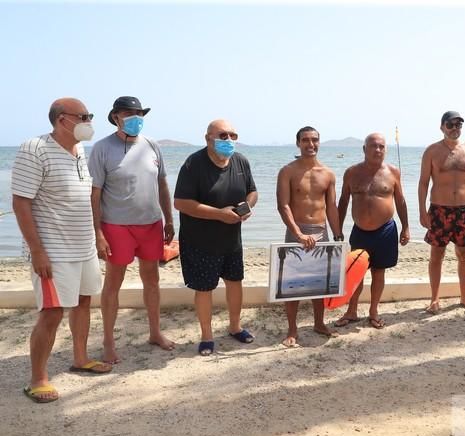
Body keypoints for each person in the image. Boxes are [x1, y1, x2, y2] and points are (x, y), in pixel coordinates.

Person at [12, 98, 112, 403]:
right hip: (54, 252)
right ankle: (38, 379)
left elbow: (84, 200)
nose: (89, 121)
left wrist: (98, 236)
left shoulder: (80, 151)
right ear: (61, 120)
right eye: (83, 116)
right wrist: (37, 251)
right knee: (52, 313)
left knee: (83, 303)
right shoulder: (35, 149)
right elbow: (21, 203)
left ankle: (80, 358)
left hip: (83, 248)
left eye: (90, 115)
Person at [88, 96, 175, 364]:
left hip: (151, 224)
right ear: (116, 116)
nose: (136, 118)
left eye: (139, 113)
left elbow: (162, 185)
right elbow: (94, 194)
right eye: (129, 113)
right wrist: (98, 233)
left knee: (152, 279)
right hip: (116, 226)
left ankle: (155, 332)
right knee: (114, 281)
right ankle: (108, 342)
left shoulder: (152, 145)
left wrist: (169, 219)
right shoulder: (102, 148)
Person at [173, 120, 258, 356]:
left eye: (233, 135)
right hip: (200, 241)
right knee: (204, 289)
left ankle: (235, 326)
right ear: (208, 138)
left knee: (235, 282)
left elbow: (252, 191)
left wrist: (247, 207)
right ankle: (207, 336)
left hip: (231, 239)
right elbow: (180, 202)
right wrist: (218, 215)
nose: (228, 139)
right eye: (222, 135)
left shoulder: (241, 160)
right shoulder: (193, 164)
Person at [334, 133, 410, 329]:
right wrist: (337, 229)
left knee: (378, 272)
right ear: (364, 149)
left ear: (386, 149)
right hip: (360, 231)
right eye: (373, 146)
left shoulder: (393, 172)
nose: (378, 150)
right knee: (355, 273)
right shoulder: (351, 173)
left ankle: (374, 312)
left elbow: (400, 201)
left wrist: (406, 227)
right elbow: (343, 202)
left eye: (381, 146)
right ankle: (352, 311)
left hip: (385, 230)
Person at [276, 126, 343, 347]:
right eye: (305, 140)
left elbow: (331, 206)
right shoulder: (288, 171)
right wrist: (297, 233)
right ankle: (292, 330)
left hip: (321, 231)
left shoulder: (328, 173)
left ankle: (319, 323)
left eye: (314, 140)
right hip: (296, 231)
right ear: (298, 143)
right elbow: (283, 205)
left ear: (319, 143)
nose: (310, 144)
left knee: (320, 282)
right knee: (292, 285)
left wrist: (338, 233)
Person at [418, 111, 465, 313]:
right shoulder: (431, 151)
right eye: (451, 125)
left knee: (464, 254)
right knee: (437, 254)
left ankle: (464, 297)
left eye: (458, 125)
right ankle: (434, 299)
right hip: (439, 210)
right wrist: (422, 212)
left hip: (464, 211)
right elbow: (423, 183)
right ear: (442, 127)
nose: (455, 128)